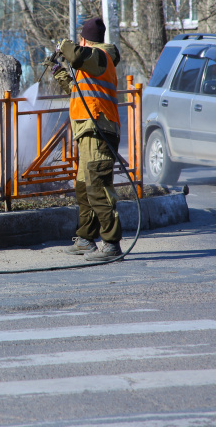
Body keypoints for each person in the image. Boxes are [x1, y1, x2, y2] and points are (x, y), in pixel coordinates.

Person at [52, 17, 123, 262]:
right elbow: (79, 92)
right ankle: (85, 239)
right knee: (84, 188)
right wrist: (59, 73)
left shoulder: (100, 57)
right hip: (88, 131)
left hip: (98, 131)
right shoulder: (93, 64)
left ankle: (111, 244)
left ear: (84, 40)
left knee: (98, 189)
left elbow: (76, 56)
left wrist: (63, 45)